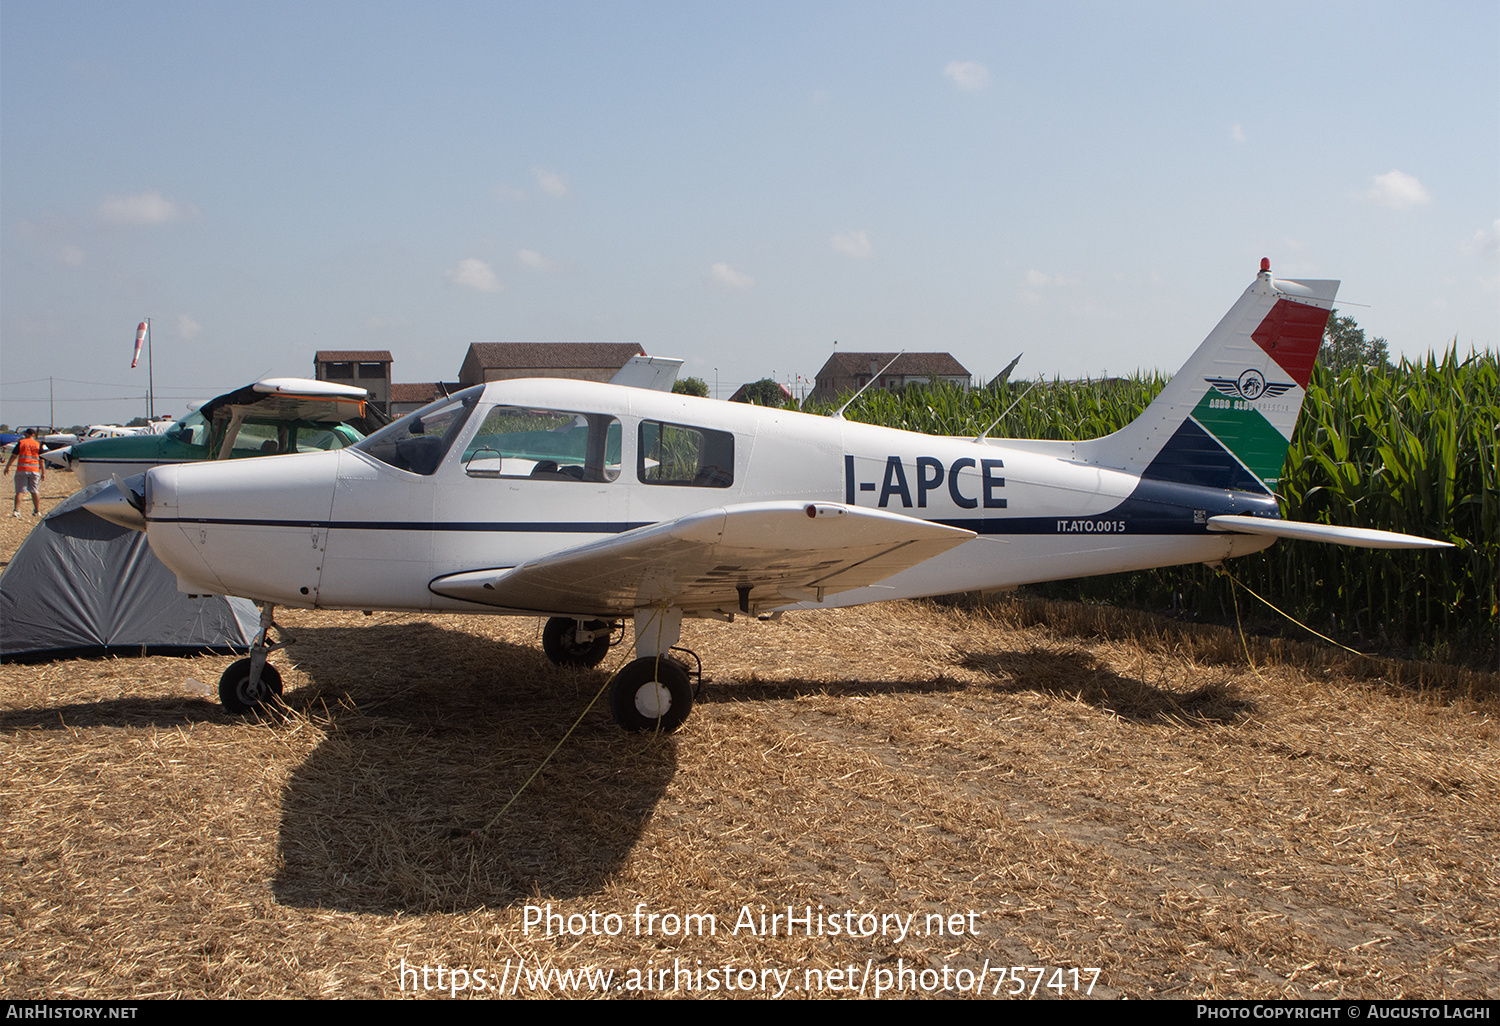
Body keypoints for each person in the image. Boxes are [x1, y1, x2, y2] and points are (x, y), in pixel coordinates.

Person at [4, 428, 45, 517]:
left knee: (20, 491)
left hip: (22, 469)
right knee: (34, 491)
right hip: (34, 470)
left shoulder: (21, 443)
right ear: (33, 435)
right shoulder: (38, 444)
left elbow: (13, 456)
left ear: (27, 434)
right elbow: (41, 460)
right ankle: (37, 511)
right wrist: (43, 473)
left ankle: (16, 511)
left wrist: (7, 466)